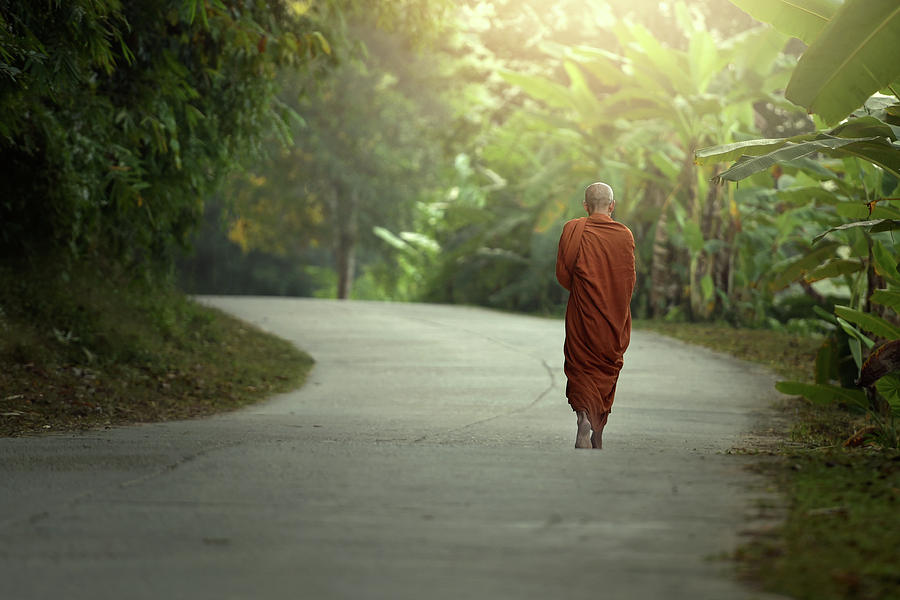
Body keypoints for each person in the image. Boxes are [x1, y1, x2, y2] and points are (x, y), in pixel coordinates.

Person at [555, 182, 635, 449]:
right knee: (605, 369)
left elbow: (563, 274)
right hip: (612, 316)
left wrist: (583, 291)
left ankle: (584, 418)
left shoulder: (572, 230)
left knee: (581, 367)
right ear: (612, 206)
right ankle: (598, 427)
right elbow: (627, 281)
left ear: (586, 206)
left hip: (581, 312)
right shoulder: (624, 235)